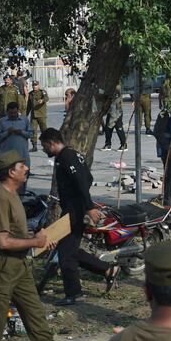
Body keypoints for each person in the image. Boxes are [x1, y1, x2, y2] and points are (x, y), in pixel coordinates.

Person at [0, 150, 85, 341]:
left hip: (19, 265)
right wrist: (35, 242)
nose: (26, 168)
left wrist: (40, 239)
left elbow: (15, 235)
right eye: (22, 165)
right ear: (10, 172)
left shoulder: (12, 194)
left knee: (35, 314)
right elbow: (3, 241)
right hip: (0, 267)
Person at [40, 128, 118, 305]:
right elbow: (88, 178)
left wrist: (88, 207)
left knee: (66, 253)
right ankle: (108, 270)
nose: (44, 149)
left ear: (52, 143)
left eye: (44, 146)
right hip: (72, 208)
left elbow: (82, 182)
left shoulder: (67, 157)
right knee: (70, 250)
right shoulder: (69, 155)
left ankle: (74, 293)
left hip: (75, 210)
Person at [0, 102, 32, 170]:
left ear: (18, 111)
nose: (13, 115)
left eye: (15, 112)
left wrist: (21, 132)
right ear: (7, 112)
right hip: (7, 156)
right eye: (11, 113)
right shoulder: (2, 121)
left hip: (22, 154)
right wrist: (7, 132)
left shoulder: (24, 120)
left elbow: (30, 134)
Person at [102, 84, 128, 151]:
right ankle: (108, 144)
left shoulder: (116, 87)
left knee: (119, 129)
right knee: (108, 129)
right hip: (111, 111)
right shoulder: (111, 86)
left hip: (117, 112)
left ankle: (124, 145)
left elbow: (116, 102)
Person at [26, 81, 48, 152]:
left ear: (38, 85)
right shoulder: (30, 94)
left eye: (36, 85)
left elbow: (46, 98)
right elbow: (29, 106)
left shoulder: (42, 92)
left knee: (44, 130)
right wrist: (26, 114)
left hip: (41, 114)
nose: (34, 86)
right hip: (33, 115)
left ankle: (47, 145)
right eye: (33, 85)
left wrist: (42, 100)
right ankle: (34, 146)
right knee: (32, 130)